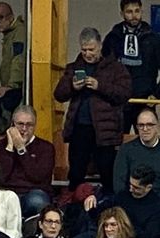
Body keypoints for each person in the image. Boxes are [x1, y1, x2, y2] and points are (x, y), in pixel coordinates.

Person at [53, 27, 130, 190]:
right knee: (76, 174)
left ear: (100, 46)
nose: (88, 54)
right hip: (79, 129)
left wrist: (99, 86)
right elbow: (59, 94)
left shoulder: (116, 68)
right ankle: (74, 209)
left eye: (91, 49)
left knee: (108, 175)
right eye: (84, 50)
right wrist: (72, 86)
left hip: (106, 131)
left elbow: (124, 93)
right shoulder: (73, 67)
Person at [102, 0, 160, 124]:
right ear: (122, 13)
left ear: (142, 11)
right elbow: (103, 68)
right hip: (118, 101)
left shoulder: (153, 39)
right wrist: (110, 92)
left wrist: (157, 94)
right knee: (117, 141)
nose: (134, 15)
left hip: (145, 101)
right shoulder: (113, 38)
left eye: (137, 11)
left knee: (145, 139)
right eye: (129, 12)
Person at [0, 0, 23, 110]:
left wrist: (10, 86)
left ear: (10, 17)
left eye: (0, 17)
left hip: (16, 90)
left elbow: (19, 59)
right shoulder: (10, 33)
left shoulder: (19, 33)